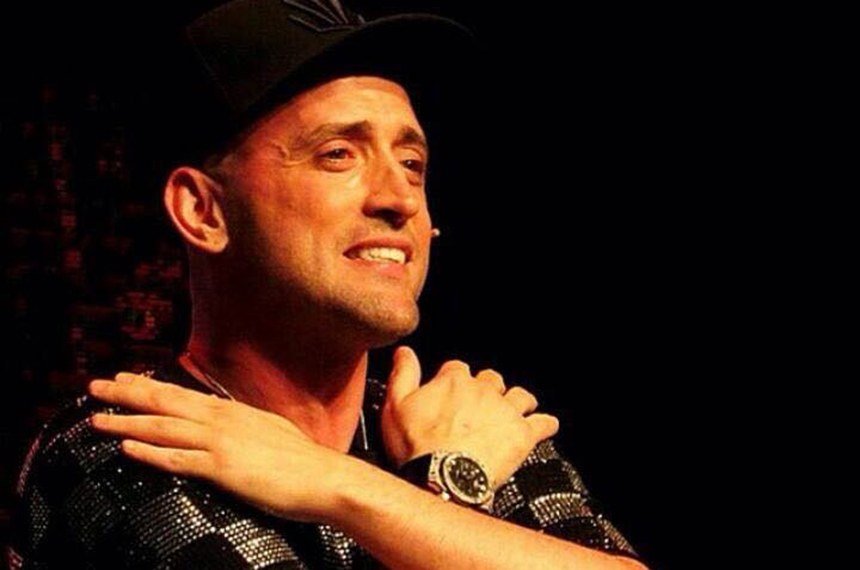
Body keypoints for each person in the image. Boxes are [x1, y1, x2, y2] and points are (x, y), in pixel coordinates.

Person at [9, 1, 648, 568]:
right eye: (338, 154)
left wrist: (341, 485)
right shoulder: (130, 442)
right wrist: (449, 494)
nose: (401, 198)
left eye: (412, 163)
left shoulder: (461, 426)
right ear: (204, 212)